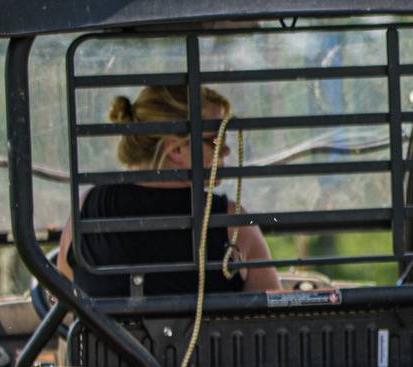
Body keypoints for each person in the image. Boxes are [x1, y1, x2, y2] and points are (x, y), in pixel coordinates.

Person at [57, 84, 282, 298]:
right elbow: (273, 314)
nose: (226, 149)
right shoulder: (232, 223)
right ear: (176, 150)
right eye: (216, 140)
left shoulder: (86, 208)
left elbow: (66, 305)